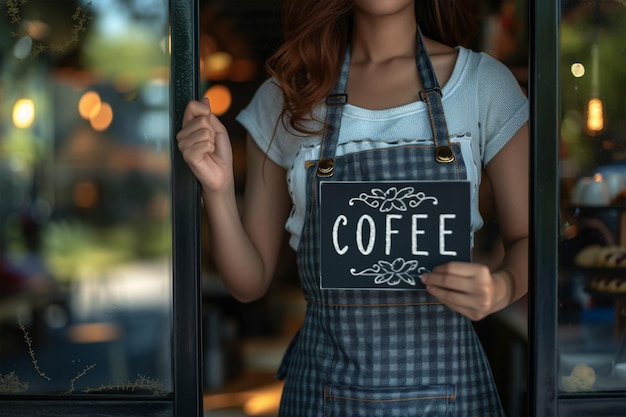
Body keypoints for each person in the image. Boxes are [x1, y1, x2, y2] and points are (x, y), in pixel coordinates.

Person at [177, 0, 528, 415]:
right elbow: (249, 282)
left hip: (450, 399)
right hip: (323, 396)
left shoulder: (482, 85)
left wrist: (501, 287)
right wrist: (217, 191)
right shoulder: (287, 95)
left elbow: (529, 239)